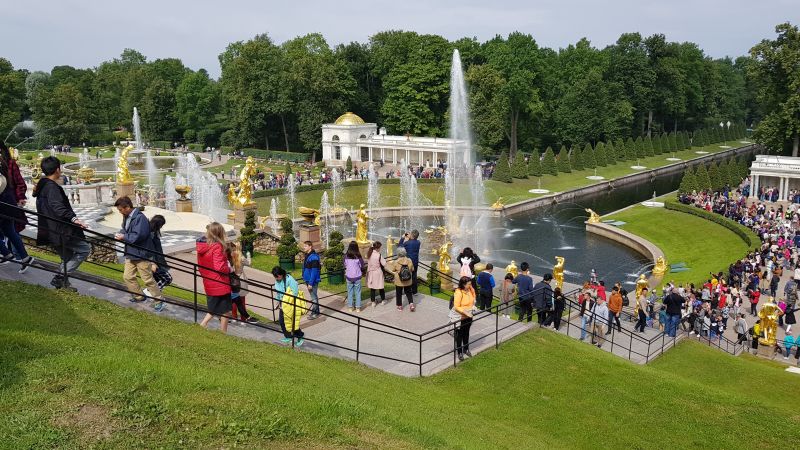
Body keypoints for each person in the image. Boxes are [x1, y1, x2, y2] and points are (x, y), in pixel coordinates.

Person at [32, 156, 88, 291]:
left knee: (67, 257)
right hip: (60, 231)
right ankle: (59, 278)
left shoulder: (43, 185)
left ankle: (63, 284)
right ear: (58, 169)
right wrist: (75, 219)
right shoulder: (52, 187)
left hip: (49, 230)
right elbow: (58, 207)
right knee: (84, 249)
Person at [114, 196, 163, 303]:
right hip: (131, 253)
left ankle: (159, 301)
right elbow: (125, 229)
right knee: (127, 277)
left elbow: (139, 235)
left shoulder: (140, 218)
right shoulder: (127, 216)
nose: (119, 212)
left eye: (120, 209)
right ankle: (139, 296)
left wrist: (124, 237)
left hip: (141, 254)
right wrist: (121, 233)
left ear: (127, 207)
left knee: (148, 280)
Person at [0, 141, 33, 272]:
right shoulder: (5, 163)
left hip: (4, 203)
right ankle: (23, 257)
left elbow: (19, 183)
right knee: (9, 231)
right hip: (8, 202)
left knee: (10, 231)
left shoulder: (7, 163)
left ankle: (7, 253)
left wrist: (20, 197)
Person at [197, 222, 232, 333]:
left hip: (209, 280)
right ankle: (222, 332)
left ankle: (204, 325)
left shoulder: (202, 246)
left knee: (215, 307)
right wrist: (230, 269)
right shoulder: (217, 246)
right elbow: (219, 267)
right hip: (219, 282)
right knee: (225, 309)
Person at [272, 266, 305, 346]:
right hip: (282, 304)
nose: (276, 278)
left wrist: (288, 302)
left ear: (281, 274)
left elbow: (295, 293)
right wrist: (278, 302)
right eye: (275, 276)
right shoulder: (277, 280)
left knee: (292, 322)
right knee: (282, 321)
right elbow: (278, 293)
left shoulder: (290, 279)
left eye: (277, 276)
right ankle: (288, 336)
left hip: (290, 304)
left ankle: (300, 336)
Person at [228, 242, 258, 324]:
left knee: (234, 300)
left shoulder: (230, 256)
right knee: (242, 301)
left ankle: (234, 318)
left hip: (232, 280)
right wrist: (248, 255)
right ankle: (243, 320)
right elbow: (249, 263)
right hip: (241, 280)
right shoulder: (241, 257)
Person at [147, 214, 171, 312]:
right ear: (158, 224)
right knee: (168, 278)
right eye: (161, 225)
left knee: (158, 280)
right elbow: (150, 249)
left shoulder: (154, 232)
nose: (161, 227)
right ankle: (150, 292)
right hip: (155, 262)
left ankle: (154, 297)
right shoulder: (150, 233)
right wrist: (152, 262)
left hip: (158, 261)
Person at [453, 276, 476, 361]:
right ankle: (459, 352)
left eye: (470, 284)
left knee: (466, 333)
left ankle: (466, 349)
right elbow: (456, 306)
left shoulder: (469, 290)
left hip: (469, 316)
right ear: (463, 284)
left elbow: (473, 297)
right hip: (461, 317)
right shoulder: (458, 292)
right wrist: (465, 312)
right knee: (459, 335)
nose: (470, 285)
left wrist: (473, 305)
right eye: (469, 284)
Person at [301, 241, 321, 319]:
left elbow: (314, 271)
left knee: (314, 297)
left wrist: (310, 283)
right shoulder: (308, 255)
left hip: (311, 281)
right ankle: (316, 311)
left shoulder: (314, 257)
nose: (304, 247)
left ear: (310, 247)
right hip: (308, 279)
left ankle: (315, 313)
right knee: (314, 296)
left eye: (305, 246)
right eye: (304, 246)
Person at [391, 247, 415, 311]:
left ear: (398, 254)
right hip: (408, 279)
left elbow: (393, 269)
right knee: (409, 292)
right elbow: (413, 269)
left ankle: (400, 306)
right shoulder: (409, 260)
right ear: (405, 253)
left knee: (399, 293)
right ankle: (411, 304)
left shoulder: (396, 261)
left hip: (399, 280)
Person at [344, 241, 365, 312]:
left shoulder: (346, 256)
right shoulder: (358, 257)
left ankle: (350, 307)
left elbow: (345, 265)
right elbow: (362, 265)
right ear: (356, 248)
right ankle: (358, 308)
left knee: (350, 292)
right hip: (357, 276)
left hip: (349, 276)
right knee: (358, 292)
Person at [398, 230, 420, 295]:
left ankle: (406, 291)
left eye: (410, 234)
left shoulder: (407, 243)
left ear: (412, 235)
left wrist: (402, 238)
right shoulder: (418, 242)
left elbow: (399, 246)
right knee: (414, 276)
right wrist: (410, 237)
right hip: (415, 261)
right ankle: (415, 291)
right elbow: (412, 242)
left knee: (405, 275)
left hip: (408, 262)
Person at [366, 241, 387, 307]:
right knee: (381, 287)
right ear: (377, 248)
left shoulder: (369, 254)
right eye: (380, 247)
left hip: (371, 273)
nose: (380, 249)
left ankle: (373, 302)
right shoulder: (378, 255)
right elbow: (384, 263)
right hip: (378, 272)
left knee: (373, 288)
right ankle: (383, 300)